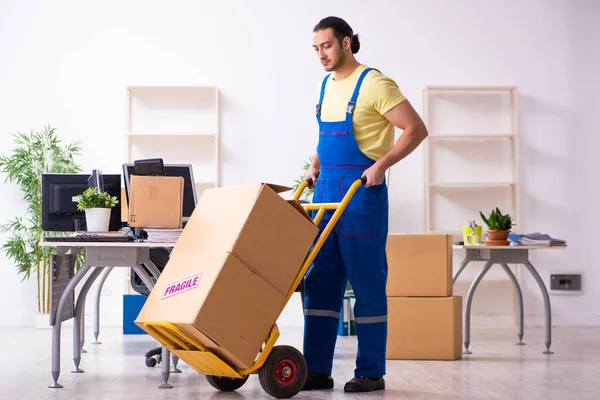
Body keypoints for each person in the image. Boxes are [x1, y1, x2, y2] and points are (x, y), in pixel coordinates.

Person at [302, 16, 429, 393]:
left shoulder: (374, 83)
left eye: (326, 46)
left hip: (361, 193)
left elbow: (415, 128)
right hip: (325, 194)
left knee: (366, 282)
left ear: (345, 43)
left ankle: (371, 372)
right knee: (319, 282)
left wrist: (381, 165)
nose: (321, 55)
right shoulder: (327, 85)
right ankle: (317, 370)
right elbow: (326, 137)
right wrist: (314, 164)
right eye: (315, 49)